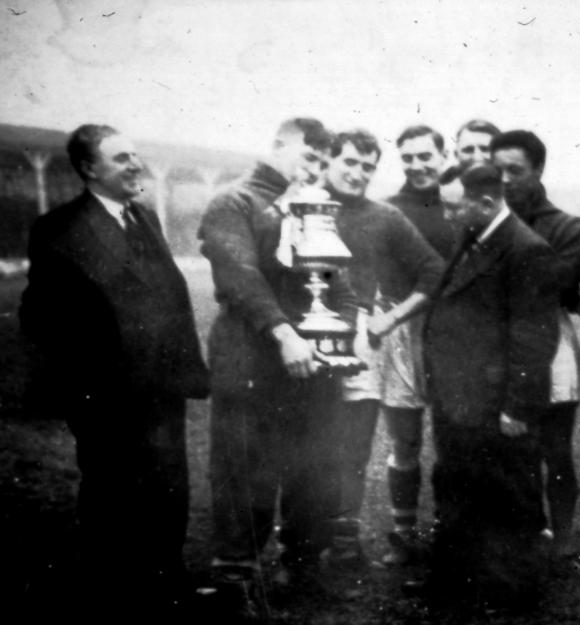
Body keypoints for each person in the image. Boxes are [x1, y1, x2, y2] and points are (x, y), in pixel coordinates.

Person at [20, 124, 210, 621]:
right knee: (112, 494)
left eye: (136, 155)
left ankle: (167, 583)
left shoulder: (144, 217)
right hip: (107, 397)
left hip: (162, 389)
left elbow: (167, 293)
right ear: (88, 169)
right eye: (122, 158)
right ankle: (113, 595)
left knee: (170, 487)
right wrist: (85, 378)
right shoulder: (59, 228)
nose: (136, 165)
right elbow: (39, 316)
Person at [198, 118, 359, 601]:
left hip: (310, 362)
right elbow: (239, 277)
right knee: (244, 466)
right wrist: (285, 333)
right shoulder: (234, 202)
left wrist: (343, 334)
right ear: (278, 147)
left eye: (322, 164)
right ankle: (235, 574)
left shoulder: (314, 210)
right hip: (252, 354)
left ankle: (304, 567)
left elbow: (340, 286)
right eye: (308, 158)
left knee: (313, 467)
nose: (314, 172)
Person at [422, 163, 560, 614]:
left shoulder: (526, 249)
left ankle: (513, 594)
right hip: (460, 399)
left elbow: (534, 337)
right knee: (460, 488)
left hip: (497, 402)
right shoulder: (475, 235)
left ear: (485, 203)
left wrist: (518, 408)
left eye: (452, 206)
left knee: (509, 496)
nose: (447, 216)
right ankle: (460, 585)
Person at [323, 128, 445, 567]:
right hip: (299, 340)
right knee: (302, 443)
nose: (357, 174)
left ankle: (344, 541)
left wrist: (391, 317)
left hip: (358, 341)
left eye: (367, 167)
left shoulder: (385, 215)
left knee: (353, 445)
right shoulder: (298, 206)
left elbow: (434, 271)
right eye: (349, 163)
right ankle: (294, 544)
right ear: (328, 160)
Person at [491, 129, 580, 558]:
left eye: (515, 170)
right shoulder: (491, 221)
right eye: (497, 171)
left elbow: (562, 284)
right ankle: (525, 530)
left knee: (555, 445)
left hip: (552, 342)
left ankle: (564, 537)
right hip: (501, 342)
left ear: (538, 171)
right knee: (513, 444)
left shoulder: (566, 226)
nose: (505, 179)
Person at [440, 119, 501, 201]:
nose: (477, 157)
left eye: (485, 149)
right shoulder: (442, 194)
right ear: (456, 155)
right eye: (468, 150)